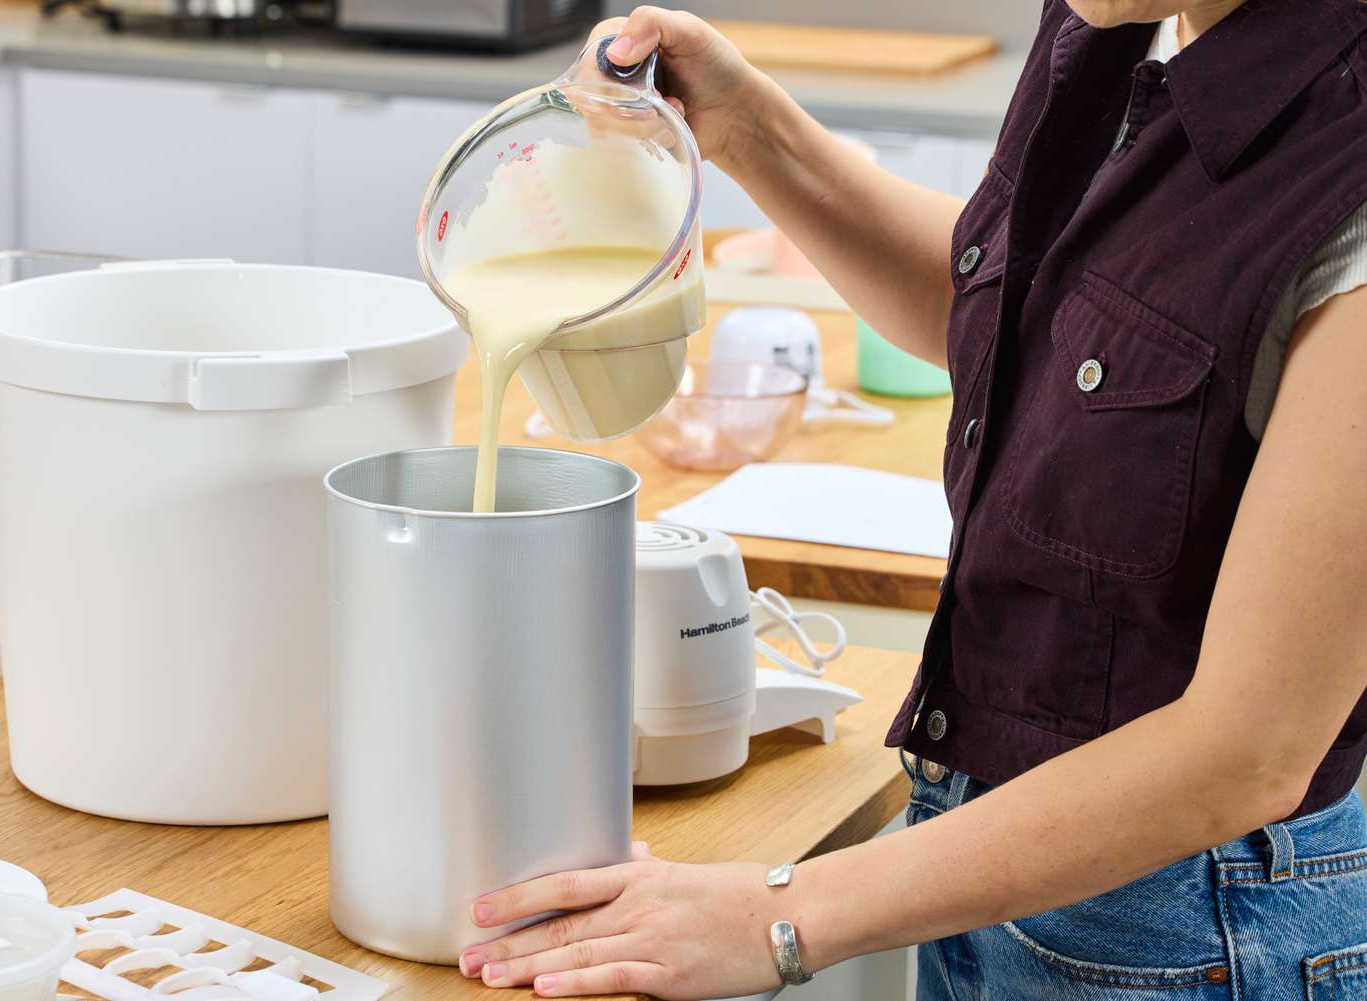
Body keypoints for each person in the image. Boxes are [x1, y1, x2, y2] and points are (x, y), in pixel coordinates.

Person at [458, 2, 1367, 997]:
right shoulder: (1130, 20)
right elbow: (1023, 321)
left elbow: (1247, 752)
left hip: (1197, 922)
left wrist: (775, 914)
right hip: (984, 865)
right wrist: (750, 128)